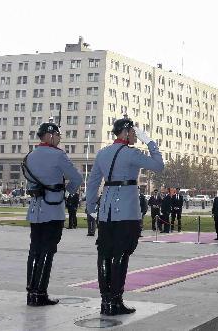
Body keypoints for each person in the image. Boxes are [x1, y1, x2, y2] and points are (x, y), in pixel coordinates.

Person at [85, 115, 164, 316]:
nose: (135, 137)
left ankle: (105, 301)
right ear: (127, 132)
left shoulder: (102, 153)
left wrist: (92, 206)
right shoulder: (131, 153)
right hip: (127, 211)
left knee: (104, 254)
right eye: (134, 133)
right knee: (121, 254)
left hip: (106, 212)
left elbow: (93, 182)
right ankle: (115, 300)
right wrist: (151, 142)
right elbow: (158, 165)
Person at [23, 122, 83, 307]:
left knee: (34, 251)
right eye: (58, 136)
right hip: (53, 208)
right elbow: (77, 178)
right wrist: (67, 191)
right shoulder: (58, 155)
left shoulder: (29, 156)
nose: (59, 139)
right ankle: (40, 293)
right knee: (48, 251)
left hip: (35, 210)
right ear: (50, 136)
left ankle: (31, 291)